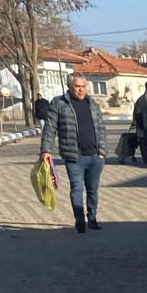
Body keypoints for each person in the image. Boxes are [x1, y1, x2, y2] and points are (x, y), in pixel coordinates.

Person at [39, 72, 107, 233]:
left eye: (83, 86)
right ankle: (80, 220)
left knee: (93, 189)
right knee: (77, 188)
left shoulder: (92, 104)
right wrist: (46, 150)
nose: (81, 90)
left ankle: (92, 218)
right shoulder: (59, 103)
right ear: (70, 87)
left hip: (95, 156)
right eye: (77, 86)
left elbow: (101, 128)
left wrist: (102, 151)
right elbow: (50, 128)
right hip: (74, 157)